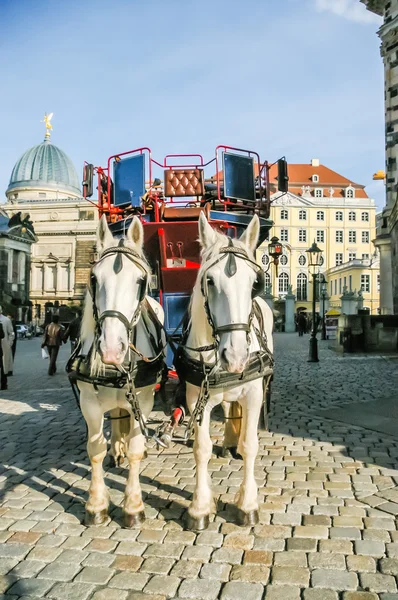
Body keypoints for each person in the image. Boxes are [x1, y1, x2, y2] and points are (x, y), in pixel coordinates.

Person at [0, 307, 14, 387]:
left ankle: (3, 383)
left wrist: (10, 343)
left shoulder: (6, 320)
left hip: (4, 345)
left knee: (3, 365)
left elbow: (11, 333)